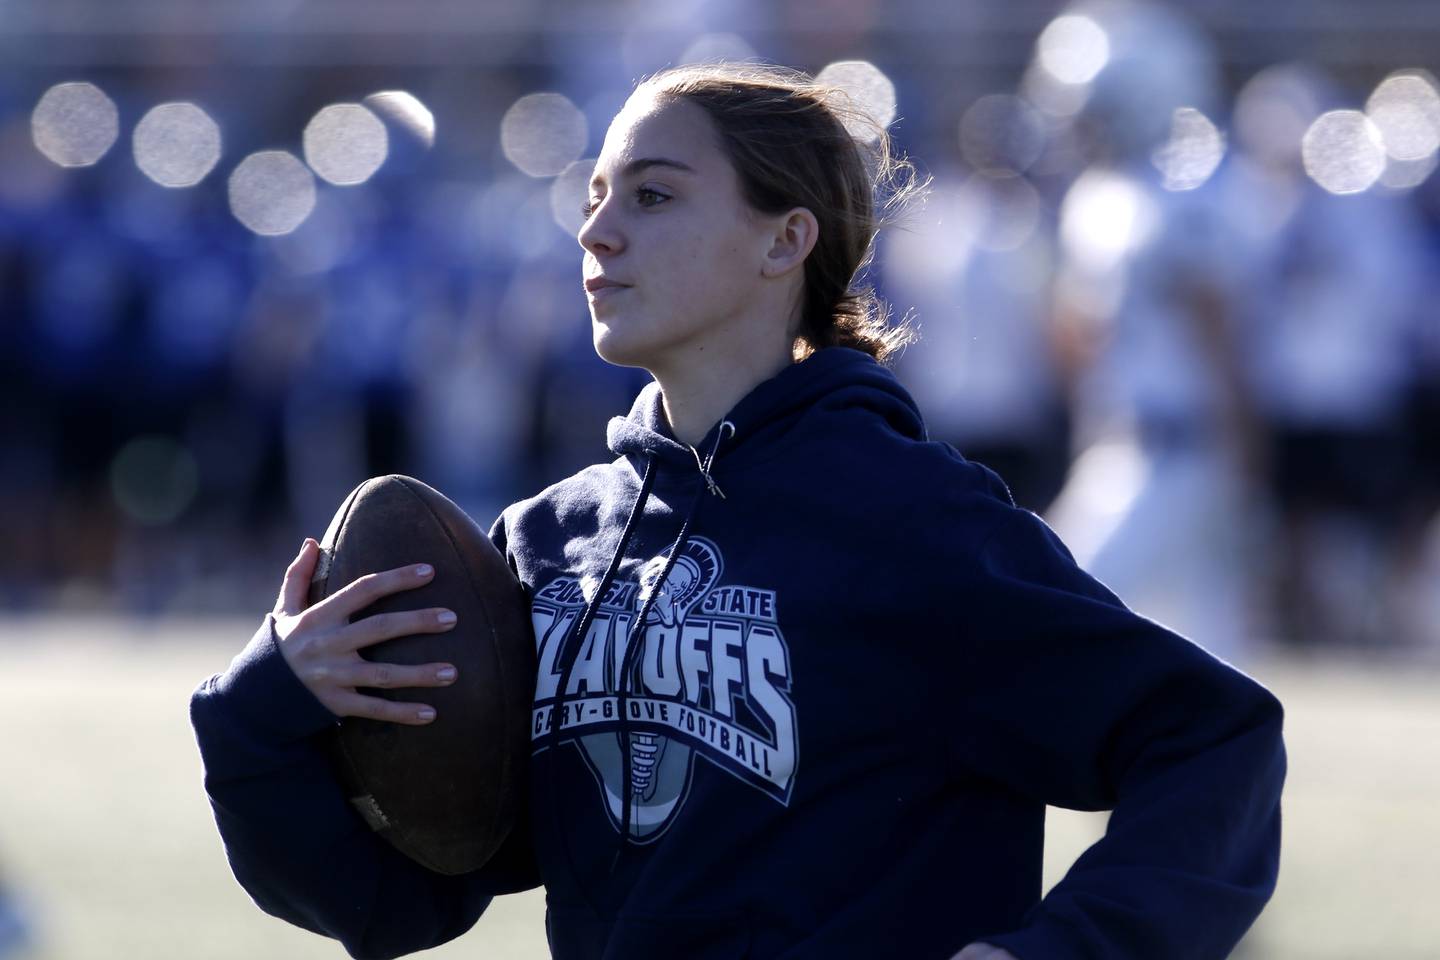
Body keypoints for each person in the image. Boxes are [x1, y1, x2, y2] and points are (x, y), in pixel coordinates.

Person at [191, 61, 1286, 960]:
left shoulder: (917, 527)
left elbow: (1214, 741)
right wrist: (266, 708)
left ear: (785, 241)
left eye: (653, 196)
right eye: (595, 199)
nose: (598, 234)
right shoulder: (550, 543)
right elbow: (403, 903)